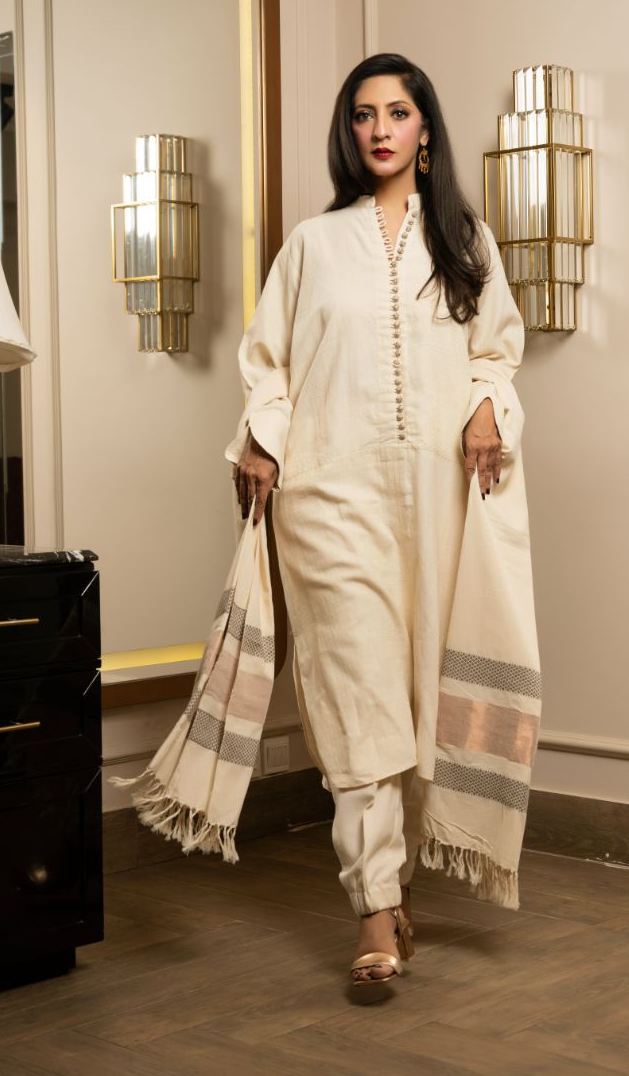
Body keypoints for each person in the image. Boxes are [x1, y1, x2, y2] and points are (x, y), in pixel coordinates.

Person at [227, 52, 528, 986]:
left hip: (437, 498)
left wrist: (486, 409)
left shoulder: (467, 242)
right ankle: (374, 907)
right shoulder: (313, 245)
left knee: (423, 696)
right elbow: (269, 364)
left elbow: (497, 354)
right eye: (364, 115)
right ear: (349, 131)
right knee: (358, 694)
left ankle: (402, 884)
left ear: (425, 128)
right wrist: (260, 439)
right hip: (329, 495)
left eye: (398, 112)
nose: (380, 129)